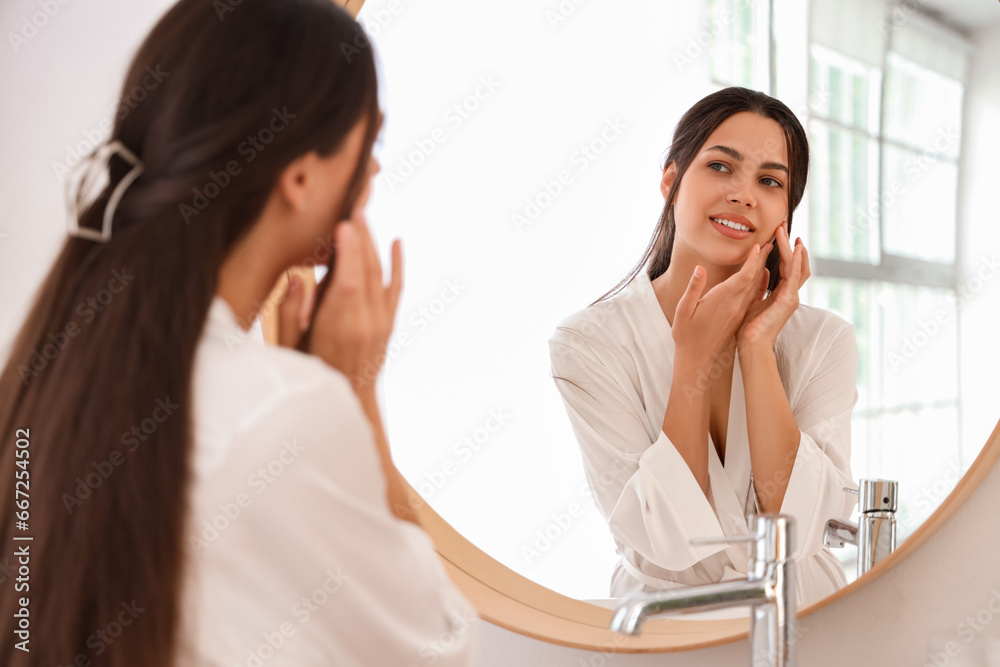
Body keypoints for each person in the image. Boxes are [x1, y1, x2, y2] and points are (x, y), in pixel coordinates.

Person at [0, 1, 479, 665]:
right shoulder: (286, 410)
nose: (373, 173)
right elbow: (441, 645)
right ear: (304, 177)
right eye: (368, 143)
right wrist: (354, 394)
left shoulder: (46, 369)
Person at [549, 87, 859, 607]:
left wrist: (757, 345)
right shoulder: (589, 344)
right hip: (669, 626)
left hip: (808, 619)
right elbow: (665, 540)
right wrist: (691, 357)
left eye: (769, 181)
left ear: (786, 211)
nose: (743, 194)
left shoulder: (822, 341)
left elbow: (808, 524)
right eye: (720, 167)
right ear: (671, 180)